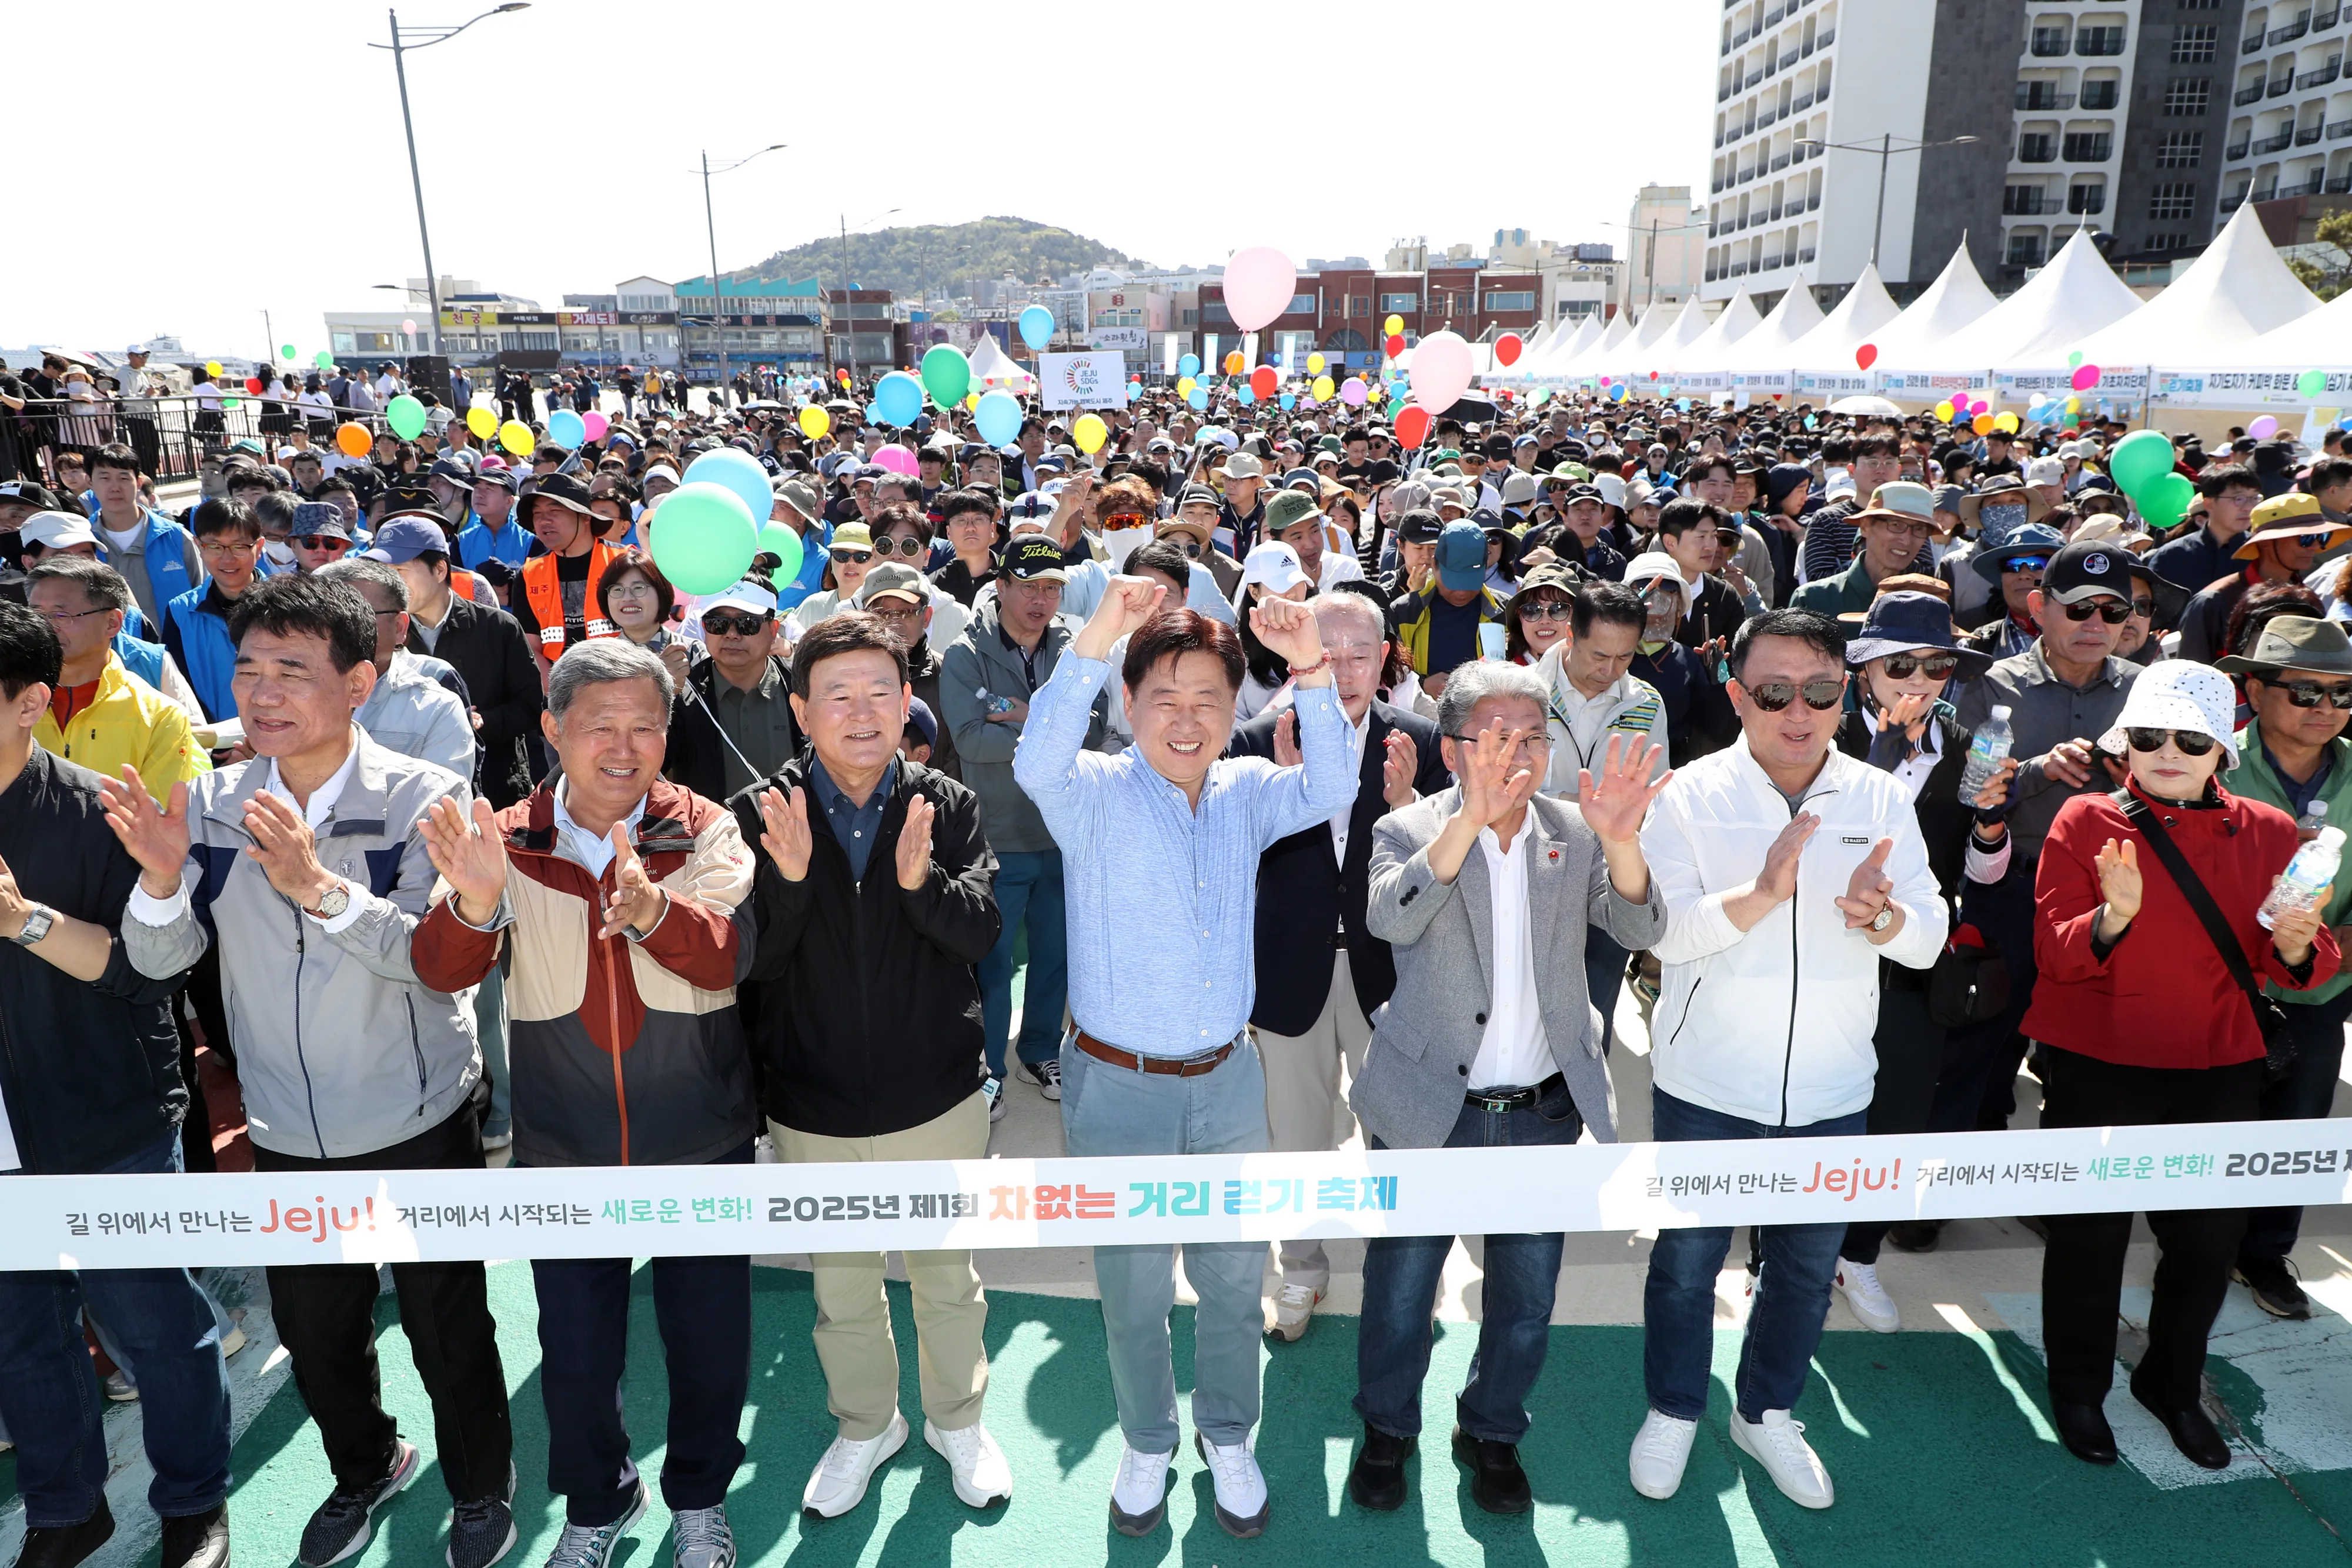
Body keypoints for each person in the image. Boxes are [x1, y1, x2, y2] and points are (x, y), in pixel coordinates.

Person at [102, 573, 514, 1568]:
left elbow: (436, 960)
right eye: (249, 669)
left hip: (418, 1115)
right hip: (286, 1130)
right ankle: (367, 1464)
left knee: (446, 1326)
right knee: (317, 1334)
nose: (264, 692)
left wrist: (314, 886)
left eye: (295, 669)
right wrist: (159, 882)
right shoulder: (207, 801)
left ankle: (479, 1487)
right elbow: (158, 966)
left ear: (360, 681)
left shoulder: (427, 799)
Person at [1013, 580, 1352, 1539]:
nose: (1188, 717)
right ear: (1126, 706)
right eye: (1163, 696)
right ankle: (1147, 1437)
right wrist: (1099, 636)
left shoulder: (1248, 791)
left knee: (1237, 1276)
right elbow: (1037, 755)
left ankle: (1228, 1434)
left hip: (1229, 1078)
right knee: (1132, 1284)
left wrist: (1314, 667)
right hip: (1116, 1082)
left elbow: (1331, 785)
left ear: (1236, 706)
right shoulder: (1091, 793)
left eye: (1209, 697)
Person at [410, 638, 757, 1568]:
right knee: (571, 1353)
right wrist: (478, 904)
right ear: (553, 728)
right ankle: (597, 1503)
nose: (625, 743)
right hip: (565, 1146)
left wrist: (650, 910)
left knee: (711, 1342)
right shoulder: (506, 837)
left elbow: (729, 955)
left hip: (701, 1137)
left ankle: (700, 1496)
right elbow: (439, 968)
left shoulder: (706, 827)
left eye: (647, 722)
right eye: (600, 723)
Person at [1629, 607, 1945, 1512]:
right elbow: (1666, 935)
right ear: (1736, 694)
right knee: (1687, 1263)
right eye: (1774, 691)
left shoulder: (1881, 796)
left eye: (1819, 689)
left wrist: (1881, 919)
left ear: (1846, 690)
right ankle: (1675, 1405)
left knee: (1805, 1270)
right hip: (1704, 1085)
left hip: (1834, 1089)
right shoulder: (1689, 794)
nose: (1797, 710)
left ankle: (1766, 1409)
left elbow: (1928, 938)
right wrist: (1763, 892)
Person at [1346, 664, 1667, 1516]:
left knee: (1526, 1299)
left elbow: (1638, 928)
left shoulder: (1576, 828)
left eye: (1534, 733)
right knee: (1401, 1289)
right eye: (1496, 735)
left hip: (1542, 1109)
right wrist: (1468, 825)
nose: (1519, 752)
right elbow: (1390, 917)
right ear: (1453, 747)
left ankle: (1491, 1429)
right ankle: (1387, 1426)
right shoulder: (1407, 826)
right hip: (1425, 1107)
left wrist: (1625, 839)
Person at [2027, 661, 2336, 1470]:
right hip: (2102, 1061)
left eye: (2190, 738)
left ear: (2220, 751)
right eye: (2149, 735)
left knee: (2205, 1243)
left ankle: (2172, 1382)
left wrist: (2300, 943)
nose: (2168, 751)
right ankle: (2079, 1385)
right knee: (2089, 1239)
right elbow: (2055, 952)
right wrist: (2111, 916)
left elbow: (2295, 951)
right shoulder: (2084, 817)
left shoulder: (2269, 829)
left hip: (2220, 1063)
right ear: (2125, 740)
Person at [737, 613, 1013, 1519]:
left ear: (908, 703)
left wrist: (914, 882)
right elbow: (749, 967)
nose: (861, 712)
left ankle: (957, 1418)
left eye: (879, 692)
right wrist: (786, 879)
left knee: (946, 1273)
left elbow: (980, 933)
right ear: (801, 709)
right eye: (837, 695)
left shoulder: (946, 801)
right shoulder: (764, 811)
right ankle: (866, 1423)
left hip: (934, 1093)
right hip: (811, 1102)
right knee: (841, 1282)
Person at [0, 599, 234, 1568]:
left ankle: (195, 1504)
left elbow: (152, 972)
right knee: (22, 1336)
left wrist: (22, 921)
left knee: (155, 1324)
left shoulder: (101, 812)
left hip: (105, 1117)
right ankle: (66, 1508)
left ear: (28, 702)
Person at [1227, 593, 1447, 1340]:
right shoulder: (1254, 742)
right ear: (1299, 656)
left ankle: (1406, 1270)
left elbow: (1451, 872)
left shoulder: (1423, 738)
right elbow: (1229, 866)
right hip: (1290, 973)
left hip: (1392, 974)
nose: (1345, 670)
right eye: (1329, 653)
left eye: (1360, 654)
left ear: (1386, 657)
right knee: (1295, 1135)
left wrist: (1412, 804)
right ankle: (1302, 1269)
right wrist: (1282, 795)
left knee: (1401, 1127)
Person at [1826, 592, 2014, 1331]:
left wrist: (1993, 821)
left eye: (1937, 664)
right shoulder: (1822, 732)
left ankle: (1860, 1255)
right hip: (1821, 949)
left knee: (1900, 1109)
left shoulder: (1971, 746)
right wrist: (1879, 762)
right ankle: (1782, 1253)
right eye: (1899, 663)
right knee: (1803, 1100)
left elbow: (1982, 877)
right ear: (1863, 668)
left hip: (1915, 956)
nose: (1918, 679)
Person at [2214, 617, 2352, 1319]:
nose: (2324, 707)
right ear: (2254, 689)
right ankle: (2201, 1247)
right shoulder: (2207, 763)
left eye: (2341, 692)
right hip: (2219, 987)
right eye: (2304, 691)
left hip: (2321, 986)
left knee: (2296, 1128)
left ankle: (2264, 1255)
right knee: (2211, 1125)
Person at [939, 536, 1106, 1116]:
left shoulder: (1076, 646)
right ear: (1001, 586)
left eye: (1052, 588)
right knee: (991, 961)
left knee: (1057, 954)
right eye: (1029, 586)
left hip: (1063, 833)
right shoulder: (964, 653)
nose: (1041, 599)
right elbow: (970, 741)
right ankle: (988, 1067)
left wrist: (1019, 712)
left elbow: (1097, 727)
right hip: (997, 837)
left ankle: (1039, 1050)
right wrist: (1051, 720)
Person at [375, 516, 544, 810]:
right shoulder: (380, 631)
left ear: (440, 569)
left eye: (400, 571)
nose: (391, 584)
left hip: (493, 793)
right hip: (407, 799)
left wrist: (483, 721)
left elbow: (530, 709)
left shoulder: (498, 627)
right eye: (384, 573)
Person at [28, 559, 208, 794]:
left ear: (113, 623)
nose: (46, 626)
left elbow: (156, 817)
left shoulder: (160, 717)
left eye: (61, 614)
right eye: (36, 613)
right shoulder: (10, 699)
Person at [664, 579, 803, 804]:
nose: (731, 634)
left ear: (773, 629)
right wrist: (659, 698)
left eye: (747, 624)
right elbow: (651, 766)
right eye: (717, 623)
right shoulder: (682, 695)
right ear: (704, 628)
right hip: (709, 837)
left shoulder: (802, 689)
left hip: (795, 835)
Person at [2178, 493, 2352, 664]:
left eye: (2322, 537)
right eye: (2305, 538)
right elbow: (2191, 676)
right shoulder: (2214, 601)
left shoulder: (2308, 598)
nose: (2315, 546)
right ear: (2265, 542)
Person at [158, 499, 265, 727]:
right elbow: (179, 689)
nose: (227, 559)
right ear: (198, 546)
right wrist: (218, 742)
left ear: (259, 547)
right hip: (215, 748)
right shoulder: (181, 612)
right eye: (214, 547)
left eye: (239, 547)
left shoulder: (289, 606)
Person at [88, 443, 202, 630]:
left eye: (124, 478)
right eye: (105, 478)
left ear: (139, 482)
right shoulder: (84, 541)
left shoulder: (176, 537)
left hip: (178, 653)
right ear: (90, 482)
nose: (115, 487)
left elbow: (204, 597)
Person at [515, 474, 625, 668]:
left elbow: (647, 633)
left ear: (584, 517)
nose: (543, 521)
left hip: (622, 677)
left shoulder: (624, 562)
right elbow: (532, 647)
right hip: (559, 686)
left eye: (554, 511)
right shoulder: (528, 574)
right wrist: (557, 695)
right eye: (537, 514)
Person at [1789, 482, 1940, 623]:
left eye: (1919, 529)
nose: (1907, 540)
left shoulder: (1930, 602)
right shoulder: (1813, 600)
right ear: (1866, 526)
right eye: (1896, 525)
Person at [2146, 464, 2262, 593]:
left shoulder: (2263, 553)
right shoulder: (2171, 557)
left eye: (2255, 498)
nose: (2248, 507)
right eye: (2239, 499)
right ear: (2209, 504)